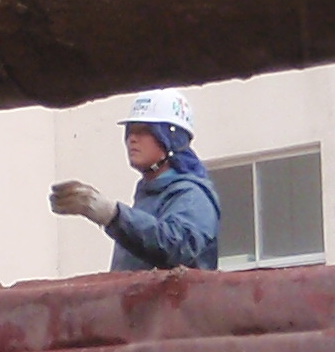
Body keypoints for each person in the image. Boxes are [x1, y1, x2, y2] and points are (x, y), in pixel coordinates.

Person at [52, 90, 220, 271]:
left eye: (144, 131)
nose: (132, 139)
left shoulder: (192, 196)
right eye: (130, 131)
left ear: (170, 138)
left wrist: (113, 214)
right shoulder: (149, 197)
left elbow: (179, 247)